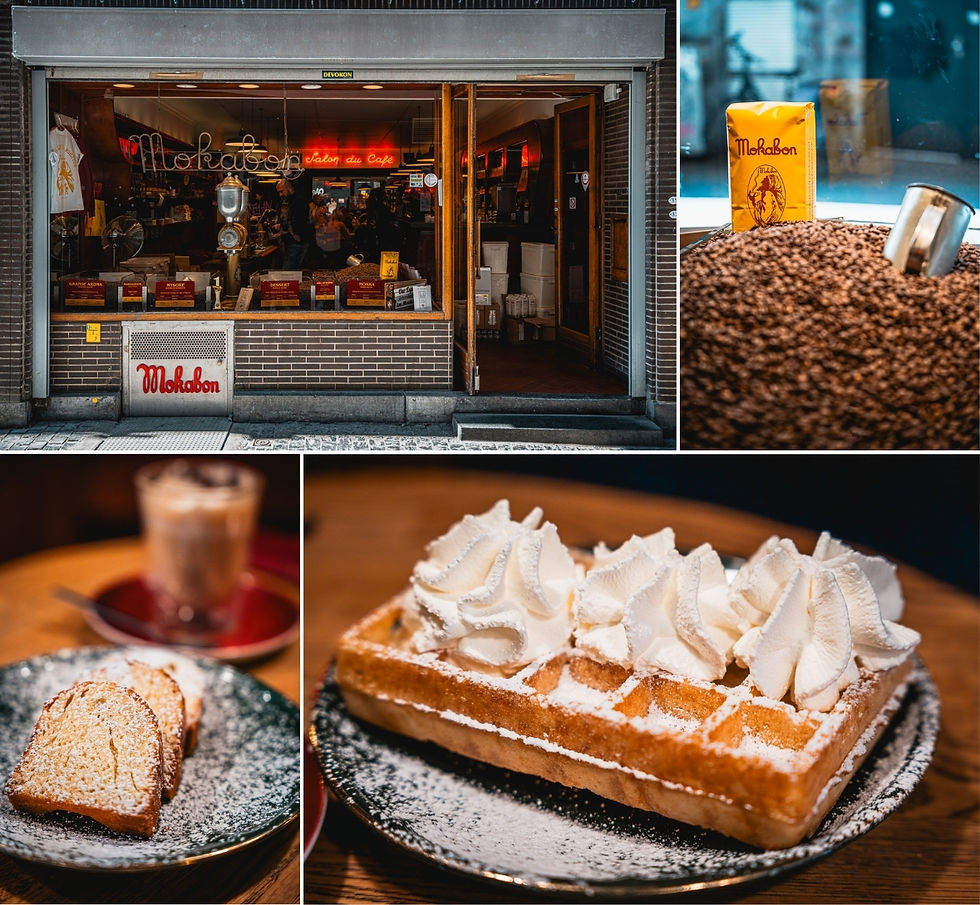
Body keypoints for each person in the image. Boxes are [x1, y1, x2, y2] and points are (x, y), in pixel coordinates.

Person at [276, 179, 312, 270]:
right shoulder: (290, 201)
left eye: (281, 191)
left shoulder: (299, 201)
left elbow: (299, 222)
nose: (280, 194)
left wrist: (282, 226)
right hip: (294, 241)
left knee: (288, 273)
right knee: (292, 272)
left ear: (289, 188)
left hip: (297, 242)